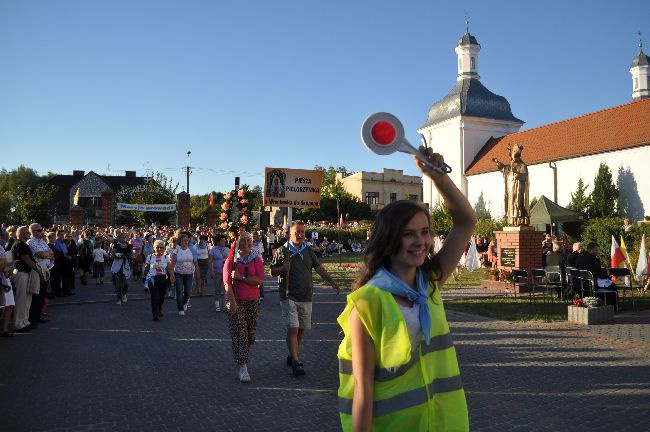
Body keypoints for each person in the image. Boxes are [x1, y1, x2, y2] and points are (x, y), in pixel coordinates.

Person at [336, 147, 475, 431]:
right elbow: (363, 389)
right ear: (389, 240)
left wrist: (438, 178)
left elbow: (465, 221)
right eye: (409, 234)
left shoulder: (430, 284)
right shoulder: (367, 303)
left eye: (425, 232)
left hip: (443, 424)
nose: (421, 242)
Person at [270, 220, 340, 377]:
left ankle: (292, 354)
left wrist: (332, 282)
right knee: (293, 328)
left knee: (301, 329)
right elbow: (272, 272)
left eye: (302, 232)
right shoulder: (283, 250)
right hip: (289, 295)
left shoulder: (308, 251)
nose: (300, 235)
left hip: (306, 295)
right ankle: (296, 361)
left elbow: (319, 268)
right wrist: (282, 268)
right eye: (297, 232)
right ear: (289, 234)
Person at [223, 232, 264, 383]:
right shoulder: (231, 261)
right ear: (238, 243)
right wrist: (232, 302)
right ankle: (243, 367)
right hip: (236, 301)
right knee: (240, 334)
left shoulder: (256, 259)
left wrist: (242, 278)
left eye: (249, 241)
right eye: (243, 241)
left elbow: (260, 280)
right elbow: (227, 283)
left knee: (249, 334)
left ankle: (243, 357)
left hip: (253, 301)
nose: (246, 243)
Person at [10, 226, 40, 332]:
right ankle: (18, 324)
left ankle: (24, 322)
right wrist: (40, 269)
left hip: (26, 273)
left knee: (27, 300)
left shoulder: (24, 244)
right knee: (21, 300)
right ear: (22, 234)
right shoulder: (19, 244)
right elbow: (27, 260)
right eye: (27, 232)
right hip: (21, 273)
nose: (29, 234)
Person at [574, 242, 618, 309]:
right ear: (590, 250)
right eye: (596, 250)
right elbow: (598, 273)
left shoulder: (580, 256)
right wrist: (608, 276)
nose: (598, 252)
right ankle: (613, 306)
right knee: (612, 286)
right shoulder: (594, 259)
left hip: (579, 283)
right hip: (591, 284)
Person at [143, 240, 175, 321]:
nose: (159, 249)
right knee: (155, 297)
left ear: (164, 248)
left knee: (161, 297)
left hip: (163, 279)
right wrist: (144, 277)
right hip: (153, 279)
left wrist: (171, 275)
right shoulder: (150, 257)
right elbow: (146, 267)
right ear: (154, 248)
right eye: (157, 247)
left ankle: (159, 308)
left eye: (161, 247)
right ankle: (155, 314)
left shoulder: (165, 257)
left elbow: (169, 268)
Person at [170, 233, 198, 316]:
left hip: (189, 274)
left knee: (188, 292)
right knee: (179, 291)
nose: (187, 241)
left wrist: (197, 271)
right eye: (184, 240)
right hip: (178, 273)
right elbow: (172, 264)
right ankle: (180, 308)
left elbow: (195, 262)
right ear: (180, 242)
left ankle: (184, 302)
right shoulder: (176, 251)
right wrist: (172, 275)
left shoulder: (191, 249)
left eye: (187, 240)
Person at [110, 231, 132, 305]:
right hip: (117, 266)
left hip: (125, 266)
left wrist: (128, 256)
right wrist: (119, 256)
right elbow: (112, 256)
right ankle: (119, 298)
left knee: (126, 283)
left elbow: (131, 255)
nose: (124, 239)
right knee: (118, 283)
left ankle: (124, 294)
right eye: (122, 237)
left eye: (125, 237)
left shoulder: (128, 246)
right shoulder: (116, 246)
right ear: (119, 238)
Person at [209, 234, 229, 312]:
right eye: (222, 240)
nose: (224, 241)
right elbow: (210, 262)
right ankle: (217, 304)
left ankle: (227, 304)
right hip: (217, 272)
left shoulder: (227, 249)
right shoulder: (213, 250)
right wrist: (211, 271)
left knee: (226, 289)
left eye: (224, 240)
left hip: (226, 272)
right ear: (218, 241)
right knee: (217, 289)